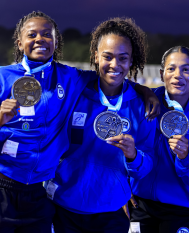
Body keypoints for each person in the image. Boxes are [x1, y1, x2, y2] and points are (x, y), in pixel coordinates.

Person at [0, 11, 98, 233]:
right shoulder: (2, 77)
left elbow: (110, 77)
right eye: (32, 34)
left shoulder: (71, 77)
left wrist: (144, 91)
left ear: (55, 41)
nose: (39, 39)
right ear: (20, 42)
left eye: (47, 34)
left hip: (37, 196)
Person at [47, 18, 156, 233]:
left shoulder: (140, 106)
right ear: (96, 56)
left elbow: (146, 166)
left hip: (111, 212)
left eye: (122, 58)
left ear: (131, 60)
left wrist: (133, 155)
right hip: (64, 207)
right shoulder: (75, 92)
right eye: (107, 56)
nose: (115, 64)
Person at [129, 46, 189, 233]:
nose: (178, 75)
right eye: (171, 68)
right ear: (162, 74)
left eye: (186, 69)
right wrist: (122, 189)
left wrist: (186, 157)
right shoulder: (142, 103)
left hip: (181, 209)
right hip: (140, 204)